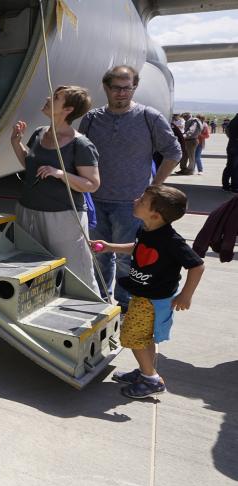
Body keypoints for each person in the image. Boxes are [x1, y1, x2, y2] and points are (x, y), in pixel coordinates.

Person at [78, 65, 182, 311]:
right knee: (99, 254)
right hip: (96, 201)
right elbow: (80, 154)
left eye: (128, 87)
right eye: (116, 87)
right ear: (106, 88)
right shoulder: (92, 119)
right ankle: (102, 302)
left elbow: (174, 152)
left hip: (132, 205)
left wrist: (154, 188)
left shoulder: (149, 117)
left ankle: (125, 305)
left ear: (134, 87)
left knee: (128, 259)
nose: (122, 93)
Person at [90, 185, 204, 398]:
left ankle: (151, 380)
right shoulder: (147, 229)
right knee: (143, 337)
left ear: (155, 214)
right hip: (142, 294)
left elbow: (197, 265)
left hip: (153, 300)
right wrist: (109, 247)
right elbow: (139, 248)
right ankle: (145, 372)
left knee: (132, 337)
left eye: (142, 200)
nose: (136, 199)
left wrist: (186, 295)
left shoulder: (172, 240)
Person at [10, 85, 101, 293]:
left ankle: (89, 315)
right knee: (32, 270)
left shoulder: (81, 145)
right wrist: (16, 143)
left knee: (77, 272)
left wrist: (61, 174)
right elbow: (31, 166)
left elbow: (92, 184)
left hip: (63, 218)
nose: (48, 98)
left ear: (68, 110)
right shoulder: (39, 133)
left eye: (56, 97)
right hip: (28, 211)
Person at [223, 112, 238, 192]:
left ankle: (226, 185)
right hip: (235, 147)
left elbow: (228, 132)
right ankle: (234, 186)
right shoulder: (235, 122)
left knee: (230, 166)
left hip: (232, 146)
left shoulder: (233, 122)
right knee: (234, 167)